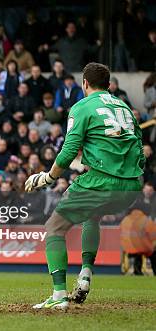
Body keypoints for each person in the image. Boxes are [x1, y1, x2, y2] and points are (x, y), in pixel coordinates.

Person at [26, 63, 144, 309]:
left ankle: (58, 296)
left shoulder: (82, 107)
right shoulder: (125, 108)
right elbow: (139, 148)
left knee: (55, 227)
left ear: (85, 84)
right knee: (93, 215)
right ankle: (86, 273)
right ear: (109, 85)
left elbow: (69, 150)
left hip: (102, 181)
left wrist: (47, 177)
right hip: (133, 184)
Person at [120, 201, 156, 276]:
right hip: (141, 247)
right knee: (153, 254)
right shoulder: (145, 220)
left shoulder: (125, 220)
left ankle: (132, 270)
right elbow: (153, 237)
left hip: (126, 249)